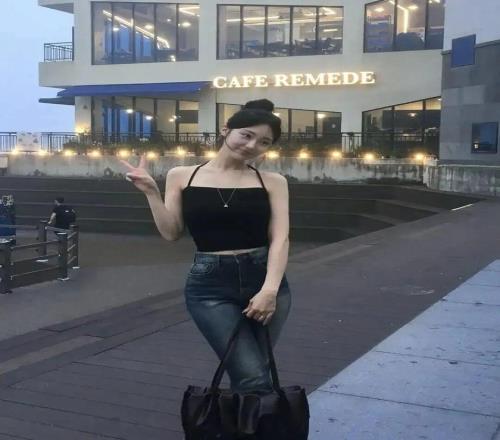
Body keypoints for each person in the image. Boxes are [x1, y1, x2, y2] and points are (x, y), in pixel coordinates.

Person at [120, 99, 291, 394]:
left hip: (264, 279)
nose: (252, 145)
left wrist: (269, 291)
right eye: (246, 135)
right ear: (226, 130)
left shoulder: (273, 182)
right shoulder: (182, 175)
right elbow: (171, 233)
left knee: (255, 372)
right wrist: (151, 192)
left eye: (264, 142)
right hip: (210, 286)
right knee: (253, 376)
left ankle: (239, 419)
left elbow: (280, 238)